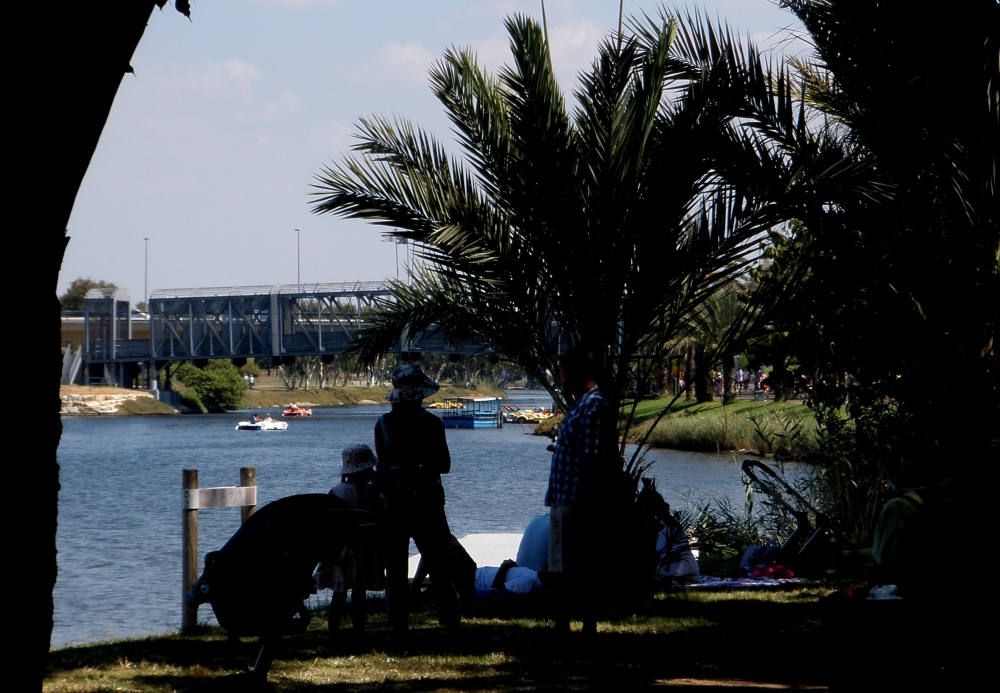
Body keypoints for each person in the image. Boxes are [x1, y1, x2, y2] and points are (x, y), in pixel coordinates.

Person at [374, 364, 461, 640]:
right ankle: (449, 622)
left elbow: (383, 464)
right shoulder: (431, 423)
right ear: (420, 395)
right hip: (427, 504)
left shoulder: (382, 425)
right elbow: (444, 465)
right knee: (439, 565)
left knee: (395, 569)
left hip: (392, 505)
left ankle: (397, 625)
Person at [545, 346, 618, 636]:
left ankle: (586, 628)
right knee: (560, 568)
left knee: (581, 568)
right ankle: (562, 627)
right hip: (562, 498)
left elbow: (592, 460)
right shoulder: (579, 405)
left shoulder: (593, 406)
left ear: (574, 372)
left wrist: (585, 506)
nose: (559, 375)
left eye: (562, 369)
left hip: (576, 501)